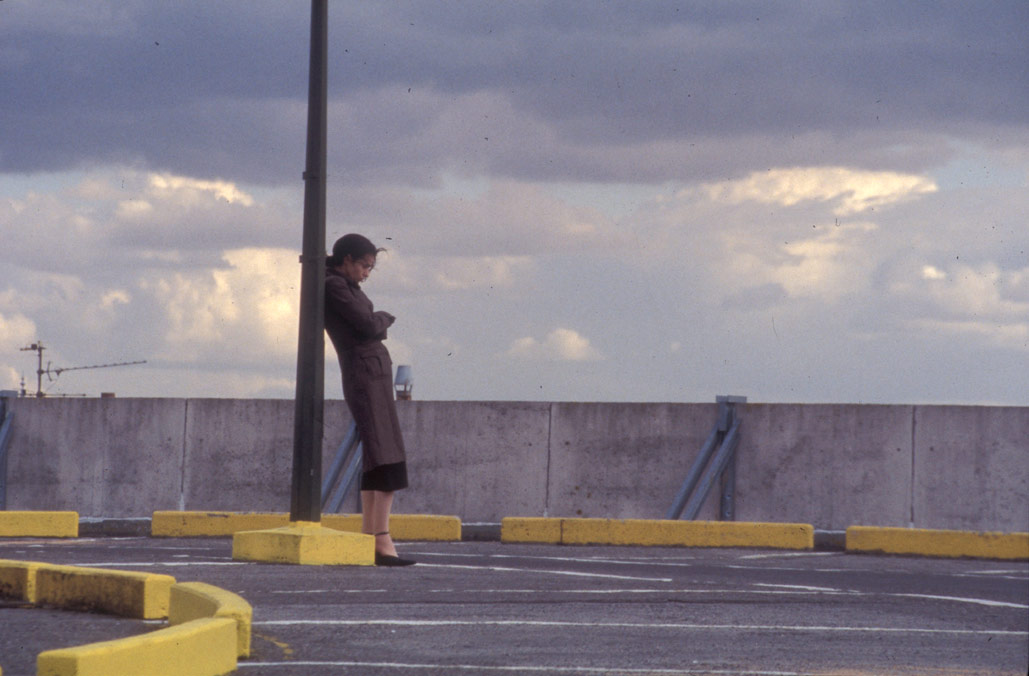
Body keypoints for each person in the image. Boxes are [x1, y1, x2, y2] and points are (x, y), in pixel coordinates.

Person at [324, 233, 415, 566]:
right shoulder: (334, 286)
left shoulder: (340, 284)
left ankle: (372, 535)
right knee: (385, 452)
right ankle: (381, 537)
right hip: (365, 371)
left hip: (369, 371)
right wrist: (385, 318)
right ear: (347, 260)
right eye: (364, 266)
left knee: (379, 453)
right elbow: (365, 325)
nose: (366, 273)